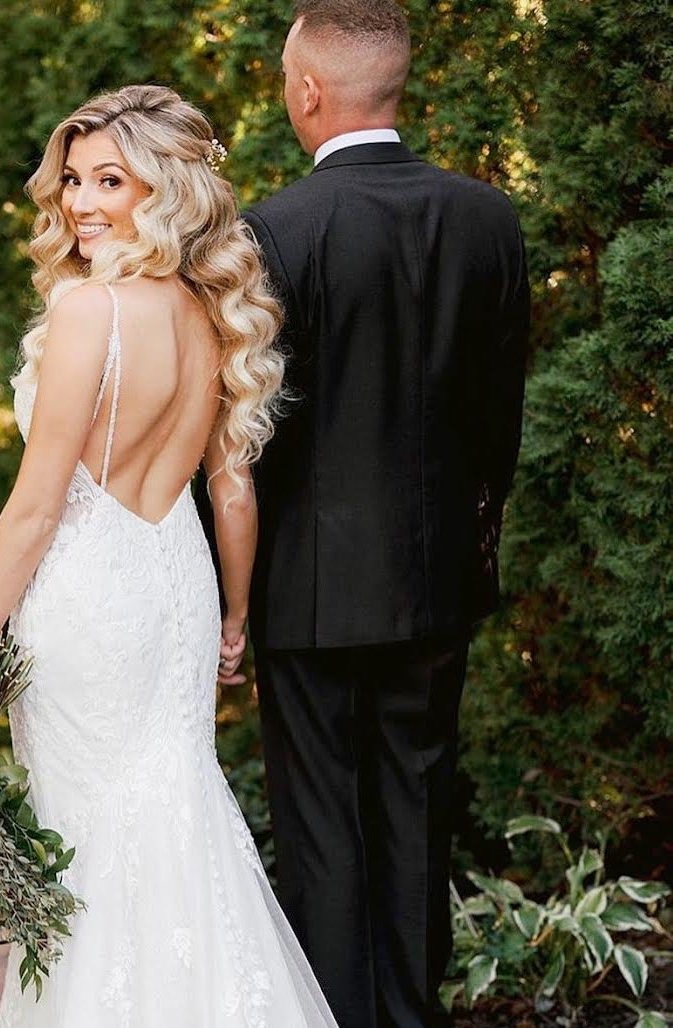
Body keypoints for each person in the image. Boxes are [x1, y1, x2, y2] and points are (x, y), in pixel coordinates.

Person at [0, 85, 339, 1027]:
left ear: (166, 187)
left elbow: (34, 511)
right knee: (176, 812)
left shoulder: (91, 313)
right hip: (177, 589)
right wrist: (234, 617)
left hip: (90, 599)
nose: (79, 203)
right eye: (72, 179)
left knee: (97, 838)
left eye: (109, 179)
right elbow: (232, 489)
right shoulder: (215, 311)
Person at [241, 2, 531, 1026]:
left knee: (322, 830)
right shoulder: (488, 219)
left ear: (308, 90)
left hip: (304, 592)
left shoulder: (274, 230)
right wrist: (470, 543)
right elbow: (500, 416)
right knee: (414, 814)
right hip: (438, 580)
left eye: (285, 78)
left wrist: (233, 589)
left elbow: (250, 436)